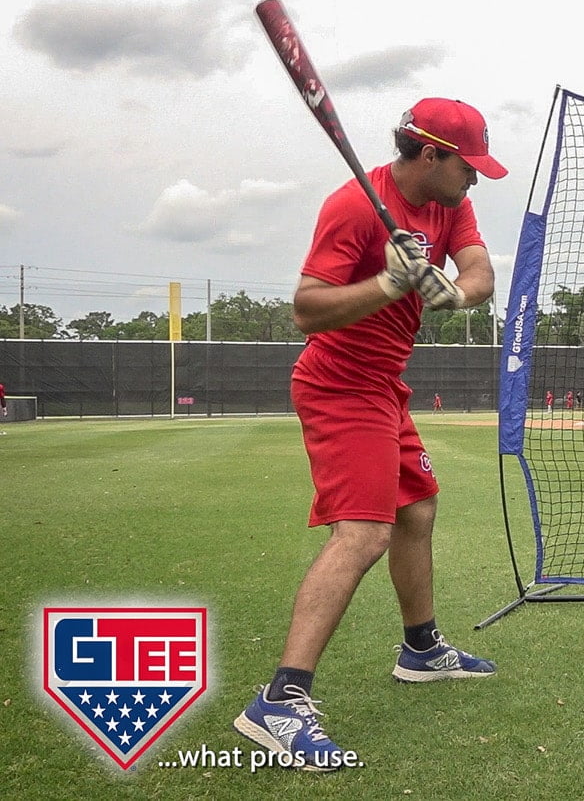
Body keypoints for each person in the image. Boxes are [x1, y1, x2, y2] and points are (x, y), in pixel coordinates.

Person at [234, 98, 507, 769]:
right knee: (363, 533)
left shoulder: (448, 203)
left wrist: (452, 292)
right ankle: (279, 700)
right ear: (430, 154)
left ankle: (421, 648)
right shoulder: (355, 207)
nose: (474, 178)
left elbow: (480, 273)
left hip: (385, 386)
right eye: (467, 165)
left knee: (417, 508)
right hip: (339, 385)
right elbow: (306, 310)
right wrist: (389, 282)